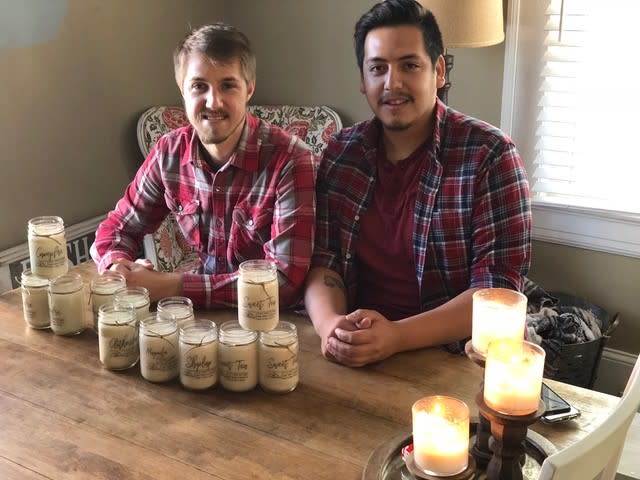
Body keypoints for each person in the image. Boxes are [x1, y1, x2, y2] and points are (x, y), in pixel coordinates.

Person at [304, 0, 532, 367]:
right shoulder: (342, 152)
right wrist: (330, 326)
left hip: (452, 356)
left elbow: (497, 290)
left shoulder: (490, 155)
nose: (392, 83)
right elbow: (324, 259)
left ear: (439, 71)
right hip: (357, 349)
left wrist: (397, 336)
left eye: (409, 65)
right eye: (378, 68)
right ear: (363, 80)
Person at [91, 24, 316, 308]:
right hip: (200, 323)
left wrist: (172, 285)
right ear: (182, 90)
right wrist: (118, 266)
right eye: (199, 86)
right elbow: (117, 228)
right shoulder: (168, 153)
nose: (213, 101)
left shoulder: (292, 160)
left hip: (276, 323)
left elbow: (285, 283)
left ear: (249, 89)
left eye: (228, 85)